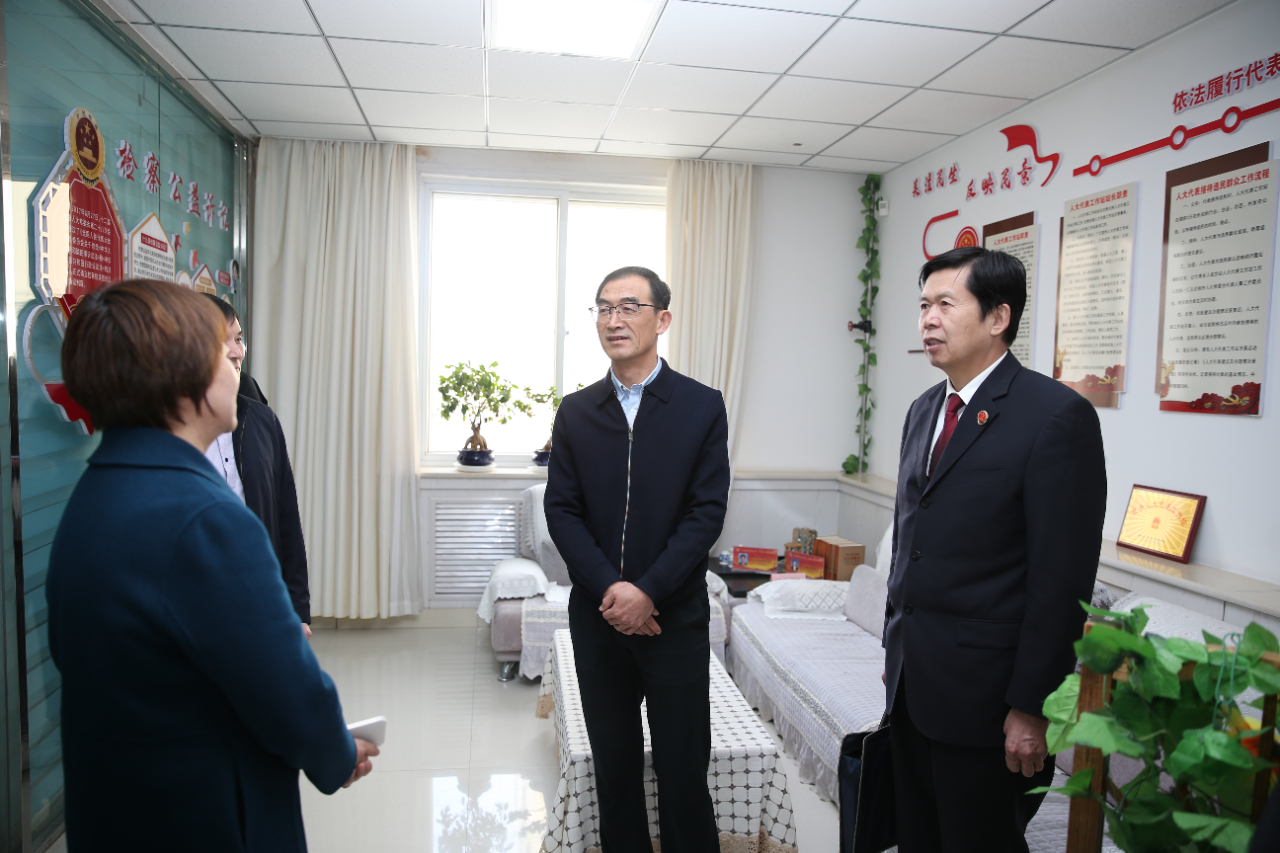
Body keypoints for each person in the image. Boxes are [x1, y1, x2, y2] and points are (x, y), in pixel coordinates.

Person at [47, 279, 376, 850]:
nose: (236, 367)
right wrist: (335, 752)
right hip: (202, 813)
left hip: (117, 808)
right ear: (184, 379)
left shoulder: (92, 497)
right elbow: (281, 687)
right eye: (223, 356)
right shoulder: (204, 518)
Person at [882, 247, 1107, 852]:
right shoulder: (924, 410)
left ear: (998, 316)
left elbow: (1061, 581)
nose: (928, 319)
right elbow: (910, 541)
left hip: (988, 702)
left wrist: (1031, 706)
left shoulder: (1056, 416)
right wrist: (895, 650)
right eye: (923, 305)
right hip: (912, 687)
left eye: (945, 304)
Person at [544, 266, 729, 852]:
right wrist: (612, 591)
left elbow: (705, 513)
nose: (614, 319)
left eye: (629, 307)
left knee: (683, 770)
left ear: (662, 319)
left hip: (673, 619)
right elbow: (562, 511)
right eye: (604, 308)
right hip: (598, 619)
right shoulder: (577, 411)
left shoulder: (700, 406)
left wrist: (648, 592)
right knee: (614, 770)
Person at [203, 294, 311, 634]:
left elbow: (286, 519)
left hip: (260, 594)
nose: (238, 352)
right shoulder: (169, 429)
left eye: (239, 338)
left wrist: (297, 610)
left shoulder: (261, 420)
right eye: (224, 341)